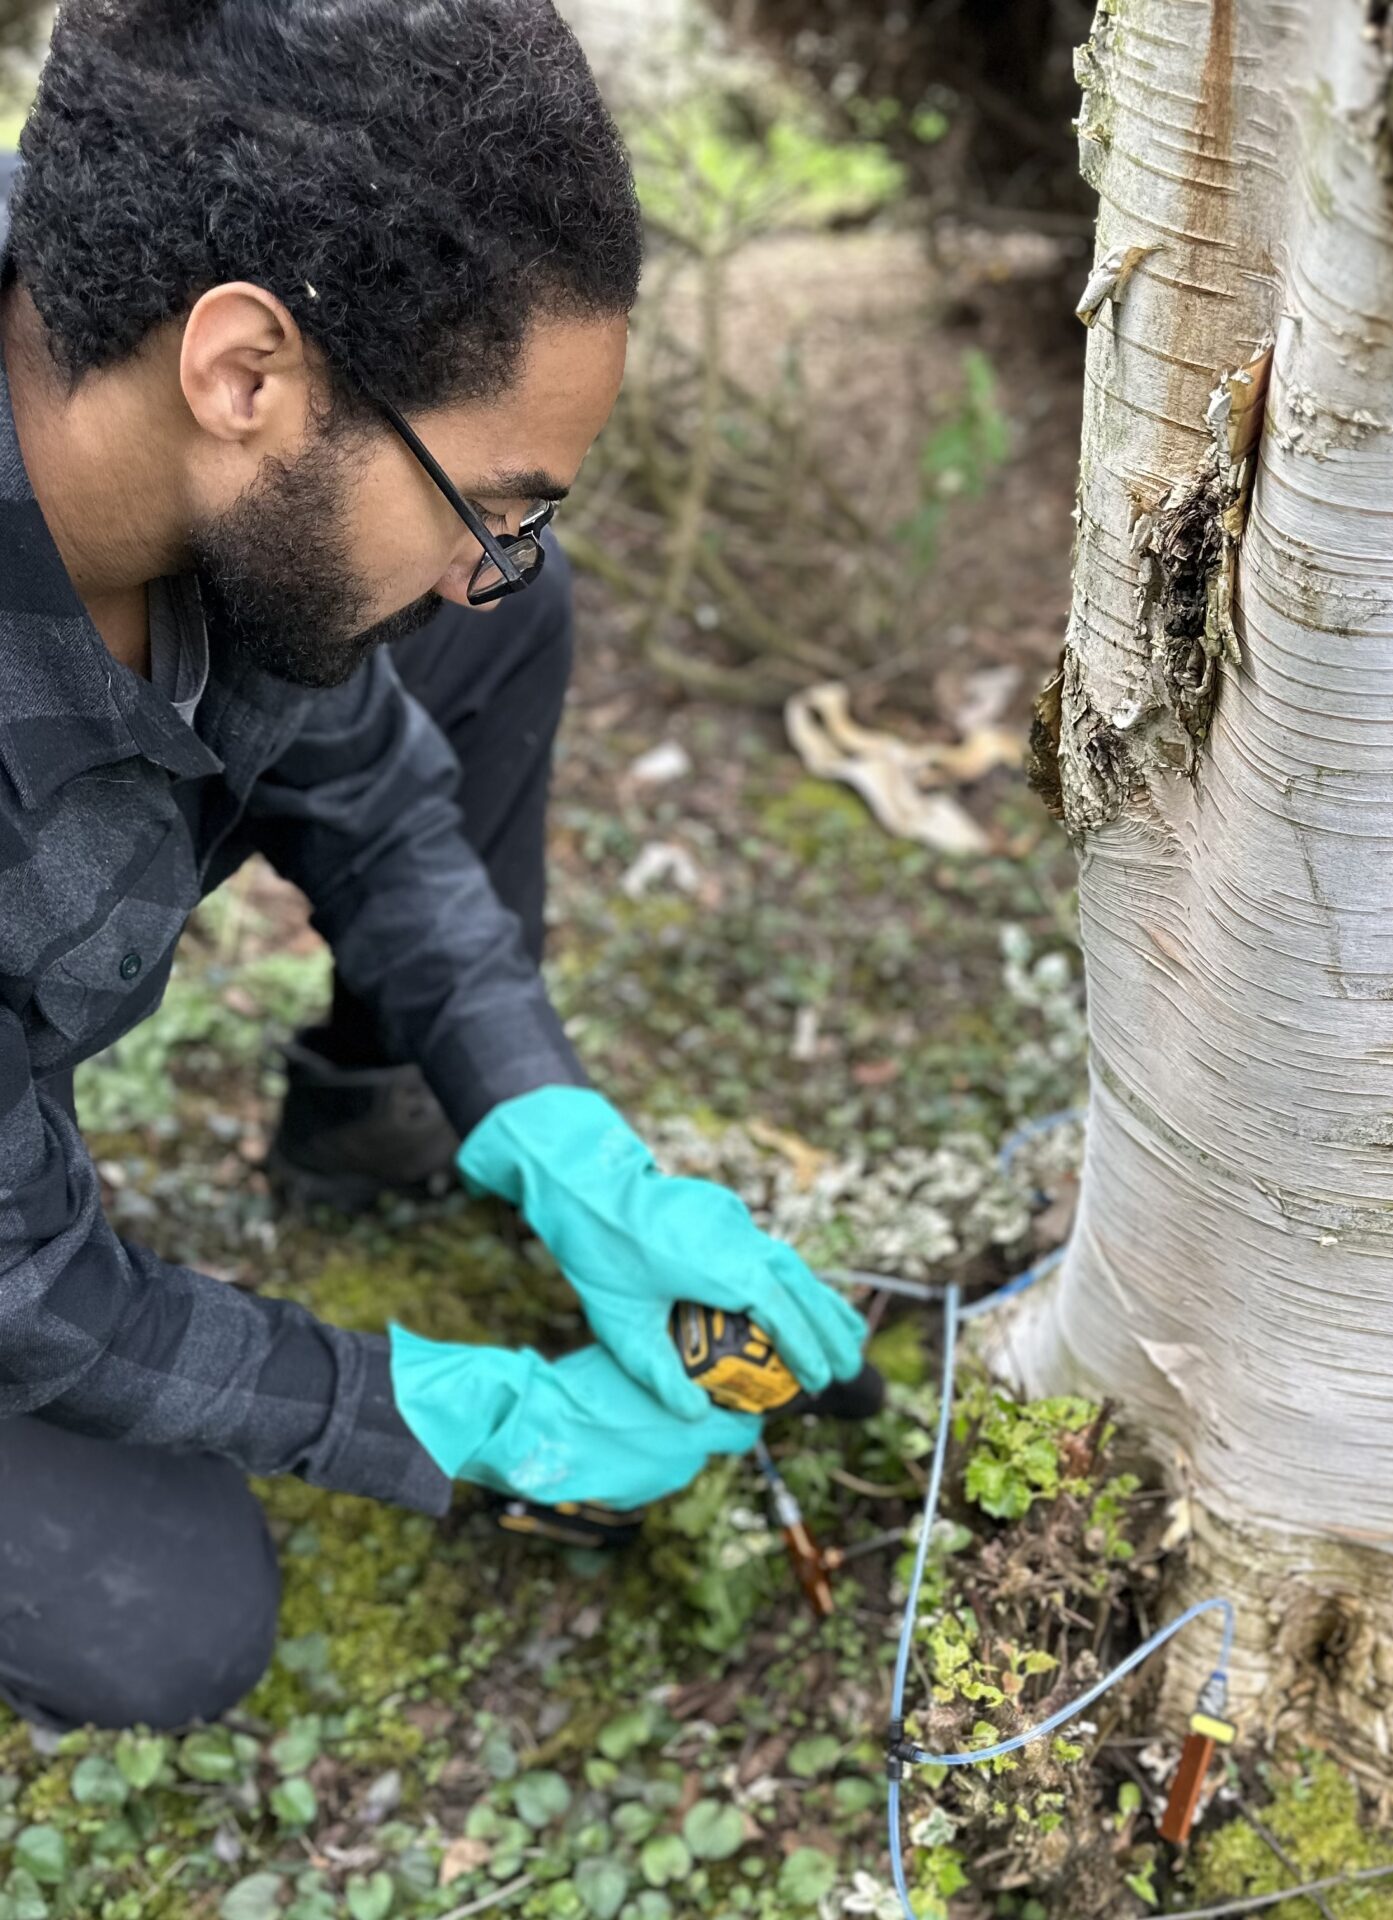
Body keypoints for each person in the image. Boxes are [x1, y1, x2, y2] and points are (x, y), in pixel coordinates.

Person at [0, 0, 869, 1735]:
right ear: (244, 373)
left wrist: (554, 1130)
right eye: (498, 500)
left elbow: (386, 800)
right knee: (167, 1623)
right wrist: (431, 1407)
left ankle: (381, 1118)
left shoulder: (156, 388)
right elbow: (30, 1288)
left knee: (447, 618)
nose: (501, 564)